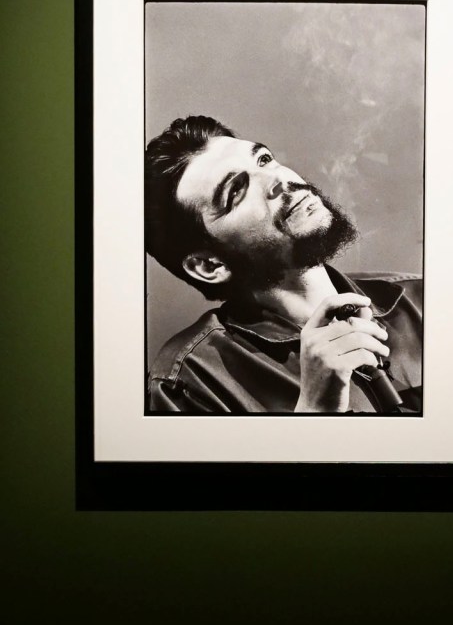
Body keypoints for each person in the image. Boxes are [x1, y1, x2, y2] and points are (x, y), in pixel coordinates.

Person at [145, 116, 423, 414]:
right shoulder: (190, 380)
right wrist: (315, 410)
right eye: (236, 191)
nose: (279, 179)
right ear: (209, 265)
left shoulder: (422, 300)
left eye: (264, 160)